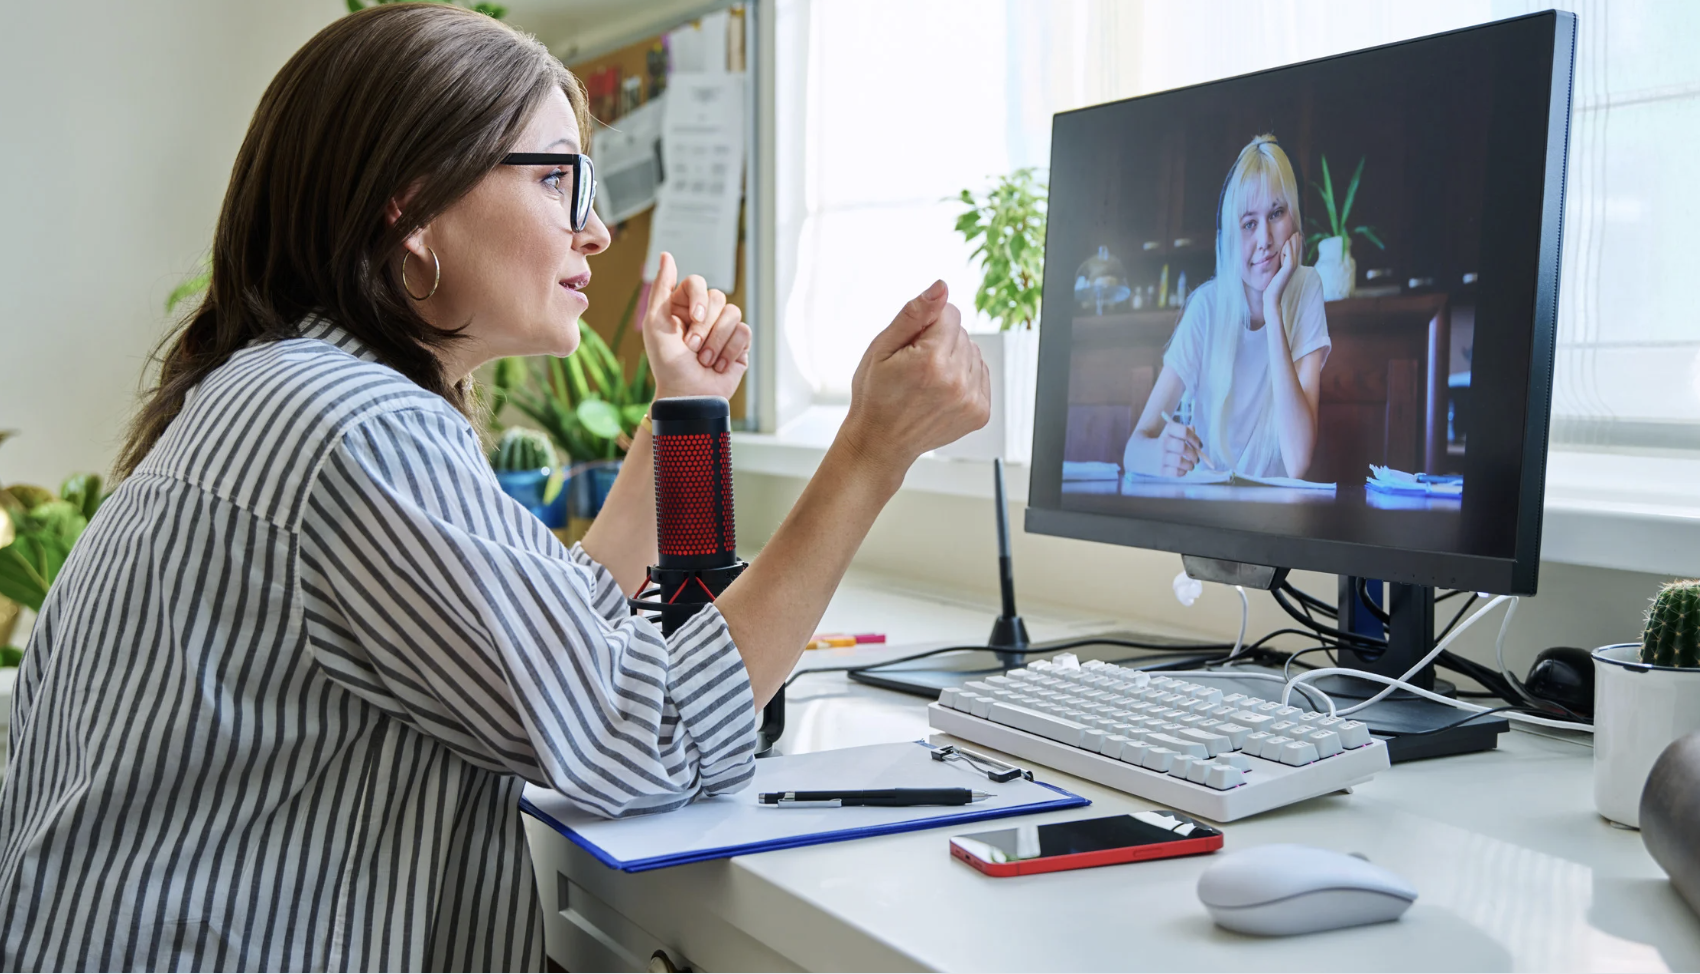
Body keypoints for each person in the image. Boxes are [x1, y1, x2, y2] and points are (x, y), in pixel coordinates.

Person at [0, 5, 988, 971]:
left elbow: (558, 633)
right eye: (558, 179)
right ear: (411, 202)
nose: (595, 231)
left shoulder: (276, 388)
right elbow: (650, 733)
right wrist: (869, 454)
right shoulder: (356, 428)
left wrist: (681, 415)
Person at [1122, 134, 1330, 480]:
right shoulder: (1206, 307)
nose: (1264, 239)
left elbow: (1298, 461)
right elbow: (1133, 450)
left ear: (1294, 219)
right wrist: (1159, 454)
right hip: (1211, 512)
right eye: (1249, 223)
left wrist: (1273, 306)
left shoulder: (1307, 287)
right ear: (1231, 236)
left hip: (1276, 521)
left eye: (1276, 214)